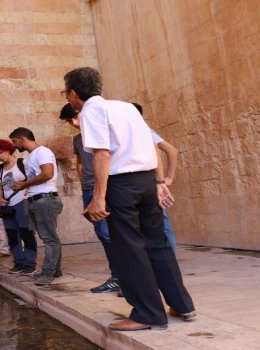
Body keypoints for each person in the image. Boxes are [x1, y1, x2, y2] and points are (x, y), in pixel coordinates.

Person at [63, 67, 196, 331]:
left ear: (73, 94)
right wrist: (158, 182)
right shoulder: (126, 107)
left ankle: (147, 314)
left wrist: (98, 198)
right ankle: (182, 304)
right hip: (146, 180)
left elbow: (101, 155)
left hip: (121, 185)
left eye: (66, 93)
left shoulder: (91, 111)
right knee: (157, 244)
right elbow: (151, 146)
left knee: (130, 249)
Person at [58, 104, 120, 293]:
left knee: (115, 233)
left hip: (108, 186)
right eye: (69, 121)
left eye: (75, 117)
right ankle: (117, 276)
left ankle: (125, 277)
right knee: (103, 233)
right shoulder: (78, 140)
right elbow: (79, 162)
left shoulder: (105, 130)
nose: (74, 123)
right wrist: (84, 180)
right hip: (88, 189)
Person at [8, 127, 64, 286]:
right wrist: (23, 186)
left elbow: (47, 174)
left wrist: (25, 183)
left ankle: (48, 273)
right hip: (35, 199)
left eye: (14, 141)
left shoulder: (42, 152)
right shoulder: (32, 156)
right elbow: (37, 176)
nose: (14, 145)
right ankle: (55, 270)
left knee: (49, 238)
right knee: (49, 237)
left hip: (45, 199)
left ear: (22, 138)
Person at [0, 139, 37, 274]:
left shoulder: (22, 163)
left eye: (0, 152)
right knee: (12, 235)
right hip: (7, 206)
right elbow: (0, 186)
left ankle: (30, 264)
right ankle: (18, 263)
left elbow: (33, 179)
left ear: (8, 149)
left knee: (26, 233)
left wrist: (25, 189)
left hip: (22, 202)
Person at [132, 102, 180, 252]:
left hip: (150, 183)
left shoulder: (142, 130)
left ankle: (170, 260)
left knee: (161, 224)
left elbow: (171, 151)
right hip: (147, 183)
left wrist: (168, 178)